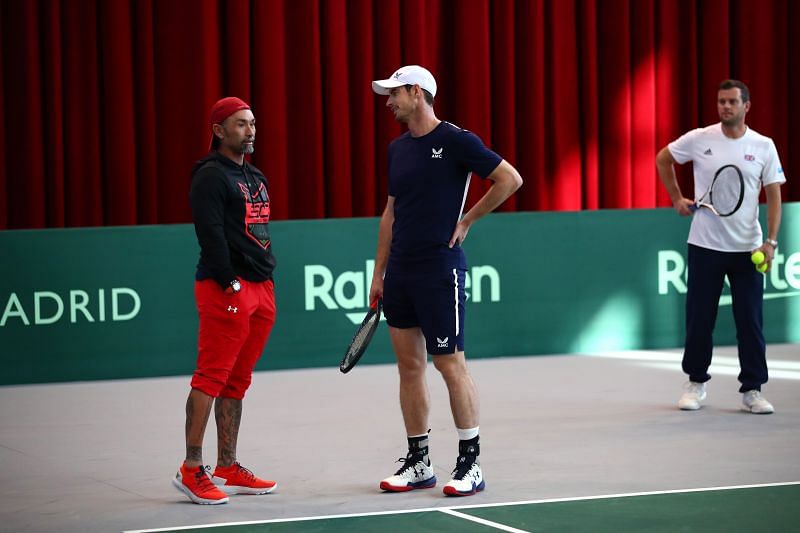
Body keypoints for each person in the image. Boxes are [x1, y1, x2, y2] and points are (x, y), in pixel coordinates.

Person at [369, 65, 523, 496]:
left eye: (394, 94)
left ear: (417, 93)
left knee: (449, 364)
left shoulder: (457, 140)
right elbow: (390, 212)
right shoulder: (397, 150)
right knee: (409, 366)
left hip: (440, 270)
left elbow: (510, 179)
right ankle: (419, 462)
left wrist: (469, 219)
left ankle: (470, 463)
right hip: (400, 271)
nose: (388, 102)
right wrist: (379, 272)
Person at [656, 79, 786, 414]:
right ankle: (695, 383)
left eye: (731, 102)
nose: (725, 107)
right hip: (705, 245)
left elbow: (773, 194)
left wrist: (771, 242)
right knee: (700, 318)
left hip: (748, 249)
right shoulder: (700, 139)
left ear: (746, 106)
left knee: (750, 322)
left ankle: (753, 390)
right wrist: (675, 198)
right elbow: (663, 158)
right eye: (720, 102)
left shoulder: (763, 146)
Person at [172, 97, 278, 504]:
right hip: (225, 288)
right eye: (239, 124)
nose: (249, 130)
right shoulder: (210, 177)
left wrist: (263, 280)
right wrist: (230, 282)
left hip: (261, 288)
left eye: (252, 123)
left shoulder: (255, 176)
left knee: (237, 381)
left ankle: (229, 465)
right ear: (219, 130)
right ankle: (191, 468)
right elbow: (210, 235)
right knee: (211, 378)